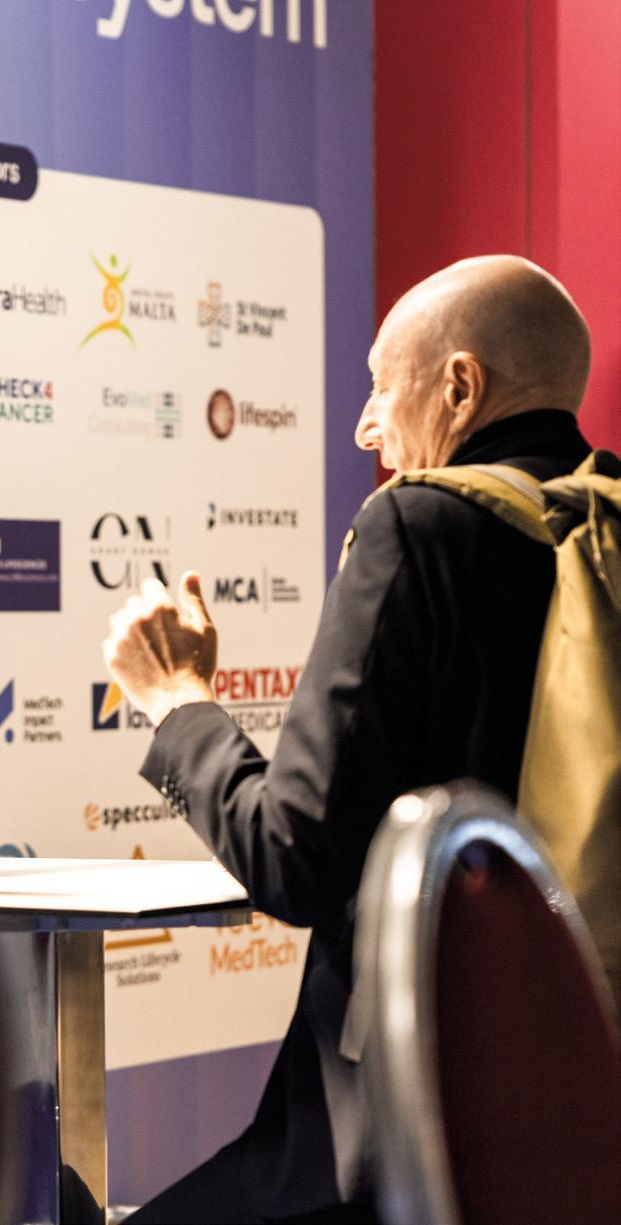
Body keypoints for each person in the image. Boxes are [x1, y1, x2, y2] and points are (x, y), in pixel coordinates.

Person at [104, 255, 594, 1223]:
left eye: (381, 386)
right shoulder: (603, 530)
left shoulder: (419, 527)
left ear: (460, 386)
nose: (366, 426)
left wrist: (177, 699)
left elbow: (294, 856)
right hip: (581, 1110)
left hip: (409, 1138)